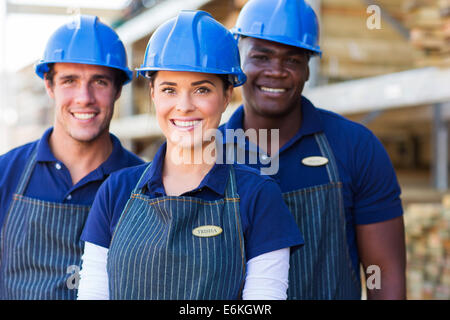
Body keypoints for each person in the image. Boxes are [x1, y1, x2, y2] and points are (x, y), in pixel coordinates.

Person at [77, 10, 304, 300]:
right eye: (170, 89)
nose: (184, 106)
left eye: (201, 89)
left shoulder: (258, 197)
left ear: (226, 96)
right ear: (153, 94)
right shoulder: (115, 192)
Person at [220, 0, 406, 299]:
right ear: (238, 62)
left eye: (292, 60)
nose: (276, 71)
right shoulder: (206, 155)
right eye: (261, 57)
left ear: (308, 68)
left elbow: (384, 270)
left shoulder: (355, 147)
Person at [0, 15, 144, 300]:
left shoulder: (146, 184)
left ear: (117, 90)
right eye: (69, 81)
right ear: (49, 86)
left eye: (99, 82)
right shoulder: (6, 174)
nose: (84, 97)